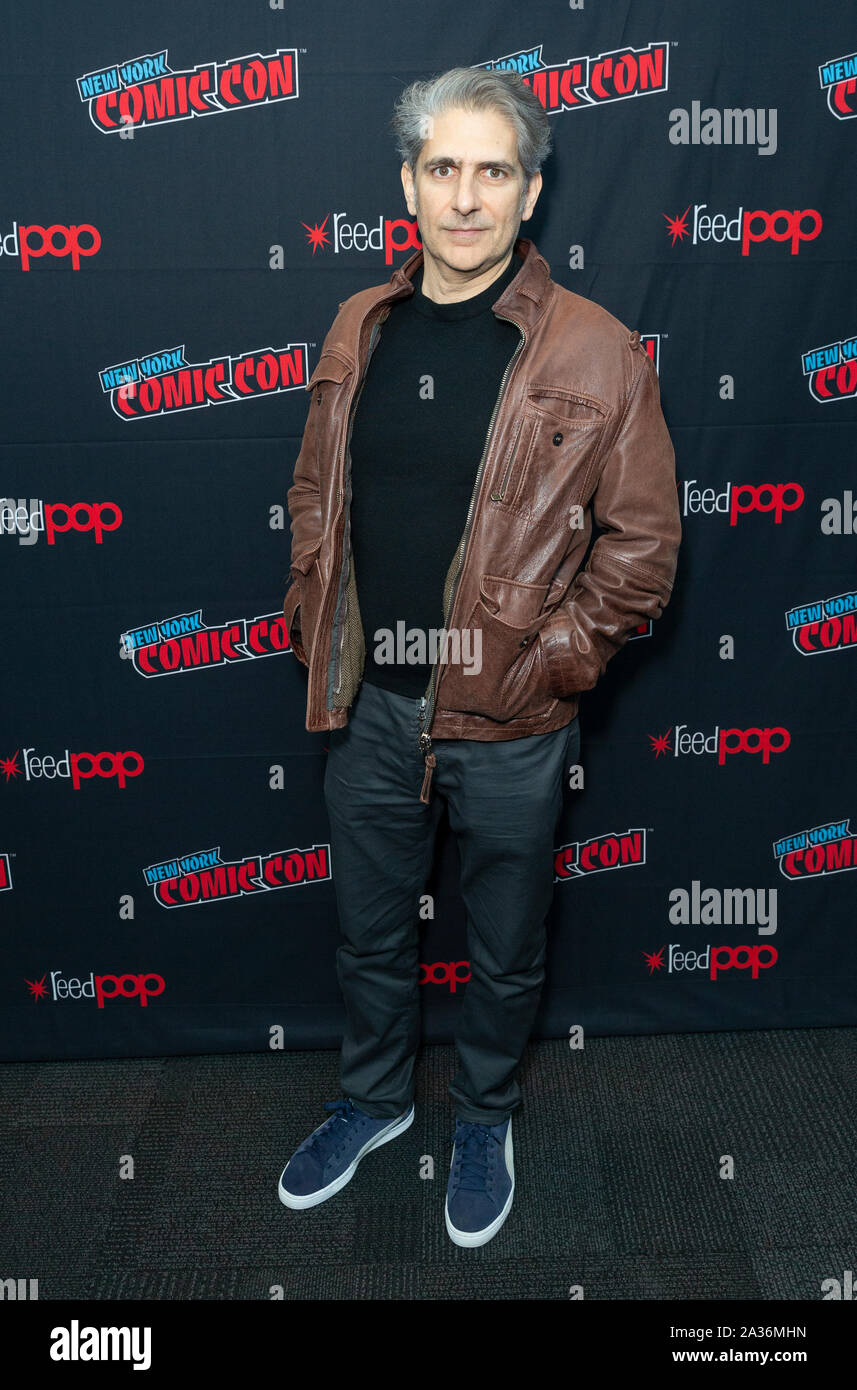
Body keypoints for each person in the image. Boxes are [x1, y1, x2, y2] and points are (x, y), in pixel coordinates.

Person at [277, 66, 681, 1247]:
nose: (464, 196)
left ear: (530, 189)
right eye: (441, 168)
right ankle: (372, 1099)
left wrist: (548, 664)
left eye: (491, 170)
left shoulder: (597, 349)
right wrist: (315, 607)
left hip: (509, 720)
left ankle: (485, 1114)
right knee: (366, 928)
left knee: (502, 948)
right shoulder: (359, 321)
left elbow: (643, 546)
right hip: (367, 705)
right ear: (407, 183)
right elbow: (315, 487)